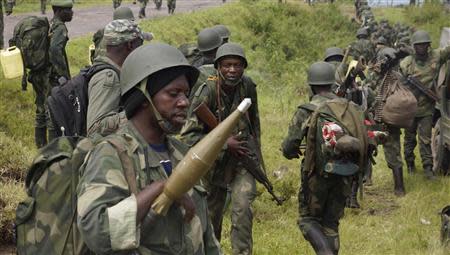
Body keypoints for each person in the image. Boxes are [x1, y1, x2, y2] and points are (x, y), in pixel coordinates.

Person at [77, 42, 222, 254]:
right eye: (173, 94)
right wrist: (163, 188)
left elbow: (205, 236)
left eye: (186, 94)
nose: (184, 102)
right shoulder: (111, 154)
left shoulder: (184, 154)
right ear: (144, 98)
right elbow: (97, 233)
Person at [181, 42, 260, 255]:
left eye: (237, 65)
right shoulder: (206, 91)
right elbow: (188, 138)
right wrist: (225, 143)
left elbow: (255, 126)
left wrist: (258, 163)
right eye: (227, 65)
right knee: (210, 220)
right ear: (218, 67)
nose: (232, 70)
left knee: (242, 209)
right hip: (212, 164)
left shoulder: (248, 86)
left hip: (242, 161)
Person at [282, 61, 368, 255]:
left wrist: (291, 151)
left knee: (307, 220)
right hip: (347, 173)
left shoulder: (307, 108)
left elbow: (289, 147)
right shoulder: (349, 106)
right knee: (331, 222)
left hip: (317, 175)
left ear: (311, 86)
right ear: (332, 84)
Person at [400, 30, 450, 179]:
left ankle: (428, 168)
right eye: (418, 45)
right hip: (410, 108)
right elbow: (400, 84)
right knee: (409, 139)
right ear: (414, 47)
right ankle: (409, 165)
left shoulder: (436, 56)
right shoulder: (407, 63)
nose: (421, 48)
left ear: (429, 45)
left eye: (424, 45)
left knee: (425, 139)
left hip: (427, 108)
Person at [86, 19, 143, 136]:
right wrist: (136, 112)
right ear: (130, 44)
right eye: (140, 43)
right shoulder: (108, 77)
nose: (141, 49)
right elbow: (95, 129)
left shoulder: (116, 71)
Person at [367, 47, 406, 195]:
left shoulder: (396, 76)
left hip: (388, 120)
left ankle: (399, 187)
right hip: (375, 120)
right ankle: (366, 179)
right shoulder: (374, 75)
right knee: (366, 151)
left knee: (393, 155)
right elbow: (366, 92)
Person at [49, 0, 73, 86]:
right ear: (59, 11)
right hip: (54, 75)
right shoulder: (60, 28)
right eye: (68, 10)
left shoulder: (52, 23)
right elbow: (55, 49)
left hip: (46, 72)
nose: (72, 12)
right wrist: (63, 75)